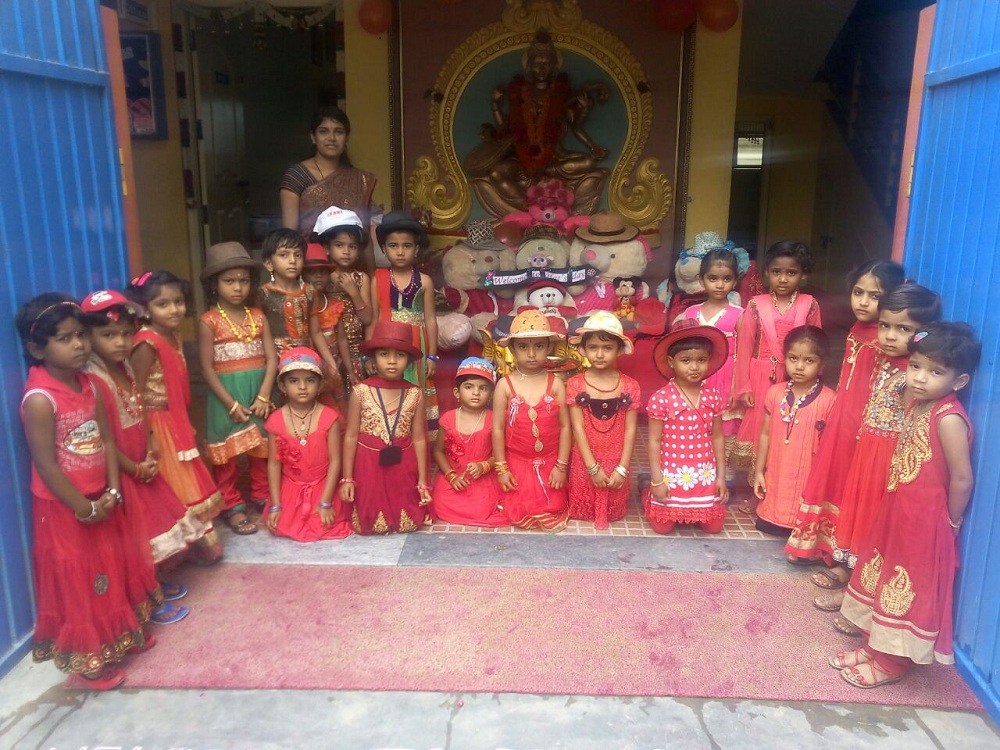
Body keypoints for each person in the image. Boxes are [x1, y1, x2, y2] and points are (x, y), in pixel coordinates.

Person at [17, 294, 161, 690]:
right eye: (65, 339)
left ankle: (122, 632)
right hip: (68, 509)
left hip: (103, 496)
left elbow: (108, 441)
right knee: (83, 579)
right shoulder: (40, 399)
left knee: (112, 567)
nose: (79, 345)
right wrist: (84, 507)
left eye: (81, 335)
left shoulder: (91, 386)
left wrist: (113, 489)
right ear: (37, 349)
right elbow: (46, 464)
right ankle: (90, 658)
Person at [832, 322, 980, 688]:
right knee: (882, 574)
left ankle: (893, 662)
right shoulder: (919, 405)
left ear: (960, 381)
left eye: (935, 372)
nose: (920, 377)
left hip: (924, 520)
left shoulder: (949, 418)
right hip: (897, 510)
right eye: (915, 366)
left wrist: (952, 522)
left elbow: (962, 478)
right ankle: (875, 645)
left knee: (906, 586)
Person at [812, 284, 942, 627]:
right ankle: (853, 581)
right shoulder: (885, 360)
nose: (890, 335)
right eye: (885, 325)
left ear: (923, 333)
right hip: (868, 454)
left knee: (875, 530)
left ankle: (860, 601)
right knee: (859, 523)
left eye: (904, 329)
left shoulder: (913, 375)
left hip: (887, 462)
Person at [82, 289, 203, 625]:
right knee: (134, 543)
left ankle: (154, 584)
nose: (120, 342)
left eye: (125, 334)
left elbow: (142, 407)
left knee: (152, 532)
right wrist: (134, 467)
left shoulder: (125, 367)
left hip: (141, 463)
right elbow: (104, 439)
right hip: (121, 472)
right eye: (108, 335)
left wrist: (150, 444)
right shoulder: (93, 380)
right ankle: (147, 600)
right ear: (88, 337)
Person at [786, 260, 906, 564]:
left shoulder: (887, 340)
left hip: (863, 427)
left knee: (851, 485)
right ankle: (820, 545)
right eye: (858, 292)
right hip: (842, 418)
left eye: (875, 296)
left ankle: (843, 552)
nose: (863, 302)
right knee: (833, 476)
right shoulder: (857, 328)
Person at [127, 271, 224, 564]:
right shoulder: (146, 343)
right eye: (163, 304)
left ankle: (195, 544)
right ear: (145, 309)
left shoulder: (174, 335)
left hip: (174, 419)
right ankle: (181, 550)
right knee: (175, 482)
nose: (174, 310)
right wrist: (149, 437)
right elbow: (135, 393)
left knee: (186, 478)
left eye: (178, 302)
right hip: (157, 424)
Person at [464, 29, 610, 216]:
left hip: (556, 157)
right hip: (522, 158)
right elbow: (505, 130)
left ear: (554, 67)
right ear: (529, 67)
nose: (541, 69)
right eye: (537, 64)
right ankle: (533, 210)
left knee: (589, 162)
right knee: (496, 174)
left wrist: (591, 141)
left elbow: (575, 126)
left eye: (546, 64)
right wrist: (495, 105)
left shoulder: (560, 95)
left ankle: (546, 186)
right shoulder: (520, 94)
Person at [731, 241, 822, 502]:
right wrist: (743, 386)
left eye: (791, 273)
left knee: (786, 431)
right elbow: (745, 348)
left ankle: (781, 490)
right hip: (760, 376)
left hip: (795, 377)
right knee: (759, 430)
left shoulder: (809, 304)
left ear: (803, 274)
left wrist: (814, 382)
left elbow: (817, 345)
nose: (783, 279)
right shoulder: (755, 305)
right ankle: (753, 491)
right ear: (767, 273)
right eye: (776, 272)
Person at [197, 242, 278, 535]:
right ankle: (232, 505)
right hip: (226, 397)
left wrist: (265, 395)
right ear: (214, 285)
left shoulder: (257, 316)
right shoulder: (209, 321)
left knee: (261, 451)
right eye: (229, 281)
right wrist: (230, 404)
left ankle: (262, 495)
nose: (237, 287)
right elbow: (206, 368)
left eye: (243, 280)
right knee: (227, 456)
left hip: (258, 394)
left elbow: (272, 359)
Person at [340, 321, 432, 534]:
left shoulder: (415, 393)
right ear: (373, 358)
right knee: (370, 525)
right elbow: (351, 436)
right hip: (368, 466)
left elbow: (419, 438)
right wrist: (348, 478)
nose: (392, 361)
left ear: (408, 360)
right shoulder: (361, 392)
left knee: (408, 524)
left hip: (403, 465)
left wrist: (422, 481)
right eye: (384, 354)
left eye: (400, 355)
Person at [644, 319, 730, 534]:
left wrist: (721, 477)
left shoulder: (713, 396)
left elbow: (718, 437)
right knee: (662, 528)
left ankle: (699, 502)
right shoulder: (661, 398)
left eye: (701, 360)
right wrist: (657, 480)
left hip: (704, 473)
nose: (694, 367)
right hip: (671, 474)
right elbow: (654, 441)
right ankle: (648, 493)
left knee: (714, 527)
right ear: (671, 362)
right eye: (686, 360)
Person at [491, 309, 571, 531]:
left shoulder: (555, 384)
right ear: (512, 349)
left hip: (551, 463)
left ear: (549, 348)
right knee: (518, 506)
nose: (532, 354)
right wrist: (502, 469)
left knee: (554, 504)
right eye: (523, 347)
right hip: (516, 463)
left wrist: (561, 466)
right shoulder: (505, 385)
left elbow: (566, 427)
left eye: (539, 346)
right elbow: (497, 430)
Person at [752, 326, 836, 535]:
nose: (799, 366)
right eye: (793, 358)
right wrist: (759, 471)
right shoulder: (775, 393)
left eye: (809, 360)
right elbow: (765, 434)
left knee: (802, 517)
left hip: (808, 472)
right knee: (768, 518)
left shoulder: (829, 399)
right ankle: (774, 517)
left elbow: (830, 449)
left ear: (822, 364)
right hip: (777, 470)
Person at [263, 347, 350, 541]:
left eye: (310, 380)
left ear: (319, 385)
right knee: (284, 525)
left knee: (324, 524)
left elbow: (335, 461)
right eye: (294, 381)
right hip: (291, 490)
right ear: (283, 386)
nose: (302, 387)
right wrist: (276, 505)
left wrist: (326, 502)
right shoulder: (276, 420)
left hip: (323, 488)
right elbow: (274, 465)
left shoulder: (329, 417)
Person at [566, 311, 641, 528]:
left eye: (607, 348)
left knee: (614, 508)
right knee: (583, 505)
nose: (599, 354)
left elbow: (630, 430)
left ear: (619, 349)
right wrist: (592, 467)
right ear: (584, 349)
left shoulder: (630, 385)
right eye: (593, 347)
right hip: (585, 459)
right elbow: (578, 427)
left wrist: (622, 468)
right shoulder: (575, 383)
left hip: (617, 459)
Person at [371, 210, 439, 434]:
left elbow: (430, 319)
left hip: (417, 345)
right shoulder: (377, 279)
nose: (400, 252)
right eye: (393, 246)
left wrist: (432, 356)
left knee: (416, 389)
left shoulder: (425, 281)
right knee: (389, 388)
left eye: (407, 246)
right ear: (383, 248)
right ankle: (393, 434)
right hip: (387, 344)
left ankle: (417, 437)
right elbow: (374, 318)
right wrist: (369, 355)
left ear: (416, 249)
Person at [676, 248, 744, 470]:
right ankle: (696, 470)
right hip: (696, 378)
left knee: (723, 429)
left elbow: (744, 354)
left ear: (735, 281)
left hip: (726, 379)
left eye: (727, 279)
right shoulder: (690, 313)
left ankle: (722, 474)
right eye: (713, 278)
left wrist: (737, 387)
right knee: (696, 424)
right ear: (701, 280)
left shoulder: (739, 314)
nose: (719, 284)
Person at [279, 105, 377, 238]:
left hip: (352, 251)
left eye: (339, 132)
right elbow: (289, 235)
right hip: (309, 251)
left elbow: (364, 235)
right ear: (313, 137)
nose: (332, 138)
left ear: (347, 138)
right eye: (323, 131)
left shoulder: (360, 180)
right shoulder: (297, 176)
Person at [431, 357, 507, 527]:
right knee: (440, 501)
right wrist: (451, 476)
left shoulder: (493, 419)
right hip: (455, 476)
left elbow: (501, 454)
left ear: (491, 394)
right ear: (456, 392)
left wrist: (484, 466)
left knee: (482, 508)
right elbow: (437, 451)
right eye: (469, 387)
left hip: (483, 479)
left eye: (483, 388)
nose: (476, 393)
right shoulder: (448, 419)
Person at [311, 206, 375, 400]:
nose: (346, 251)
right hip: (328, 349)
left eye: (352, 246)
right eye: (339, 245)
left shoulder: (361, 278)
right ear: (326, 248)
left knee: (357, 398)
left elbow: (367, 319)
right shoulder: (321, 279)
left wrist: (354, 293)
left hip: (356, 351)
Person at [258, 229, 312, 357]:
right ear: (269, 263)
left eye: (298, 255)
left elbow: (316, 332)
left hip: (306, 358)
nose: (292, 260)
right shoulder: (262, 294)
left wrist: (329, 361)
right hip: (274, 358)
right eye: (284, 255)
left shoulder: (310, 292)